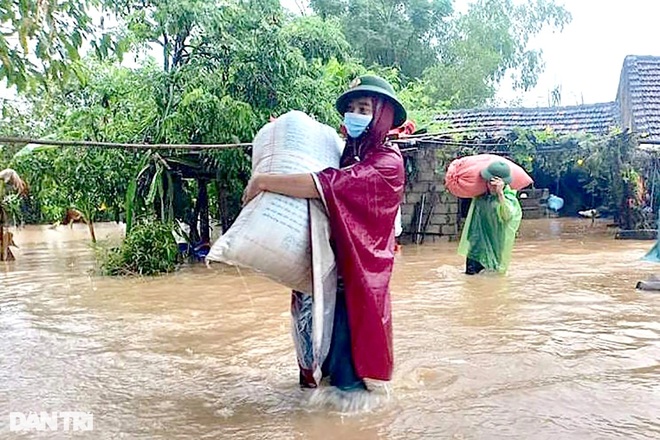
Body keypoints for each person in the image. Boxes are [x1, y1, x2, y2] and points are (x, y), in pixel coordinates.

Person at [242, 75, 406, 391]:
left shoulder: (387, 162)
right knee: (318, 370)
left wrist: (263, 180)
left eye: (364, 108)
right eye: (351, 108)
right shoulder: (347, 153)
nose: (355, 115)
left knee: (349, 382)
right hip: (324, 275)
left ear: (382, 116)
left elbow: (326, 184)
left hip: (356, 283)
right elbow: (316, 159)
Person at [457, 161, 522, 275]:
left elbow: (507, 216)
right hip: (475, 247)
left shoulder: (509, 199)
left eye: (495, 183)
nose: (491, 186)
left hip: (496, 247)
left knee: (493, 280)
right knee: (471, 281)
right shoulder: (480, 197)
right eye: (489, 182)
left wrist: (500, 193)